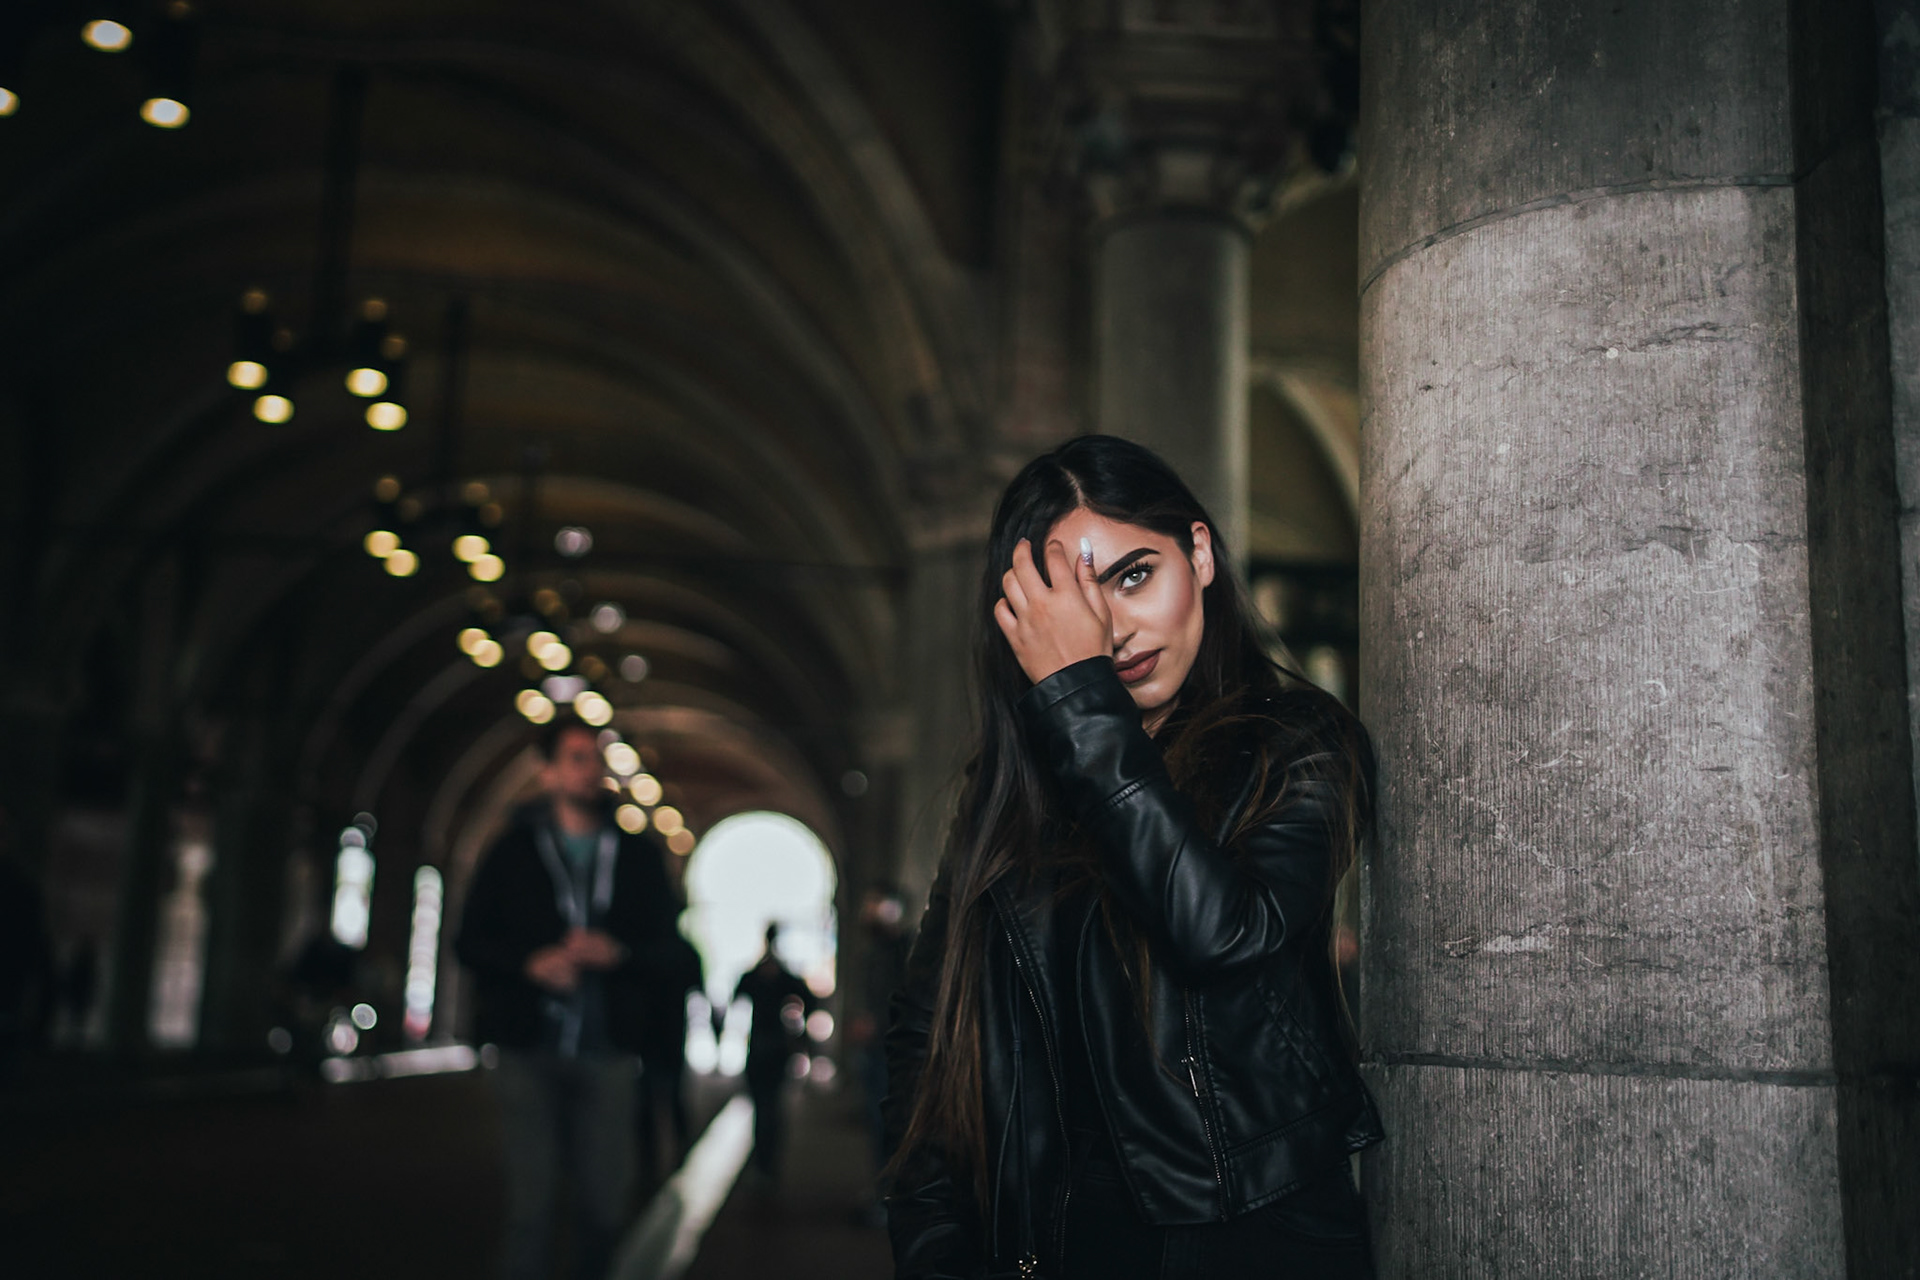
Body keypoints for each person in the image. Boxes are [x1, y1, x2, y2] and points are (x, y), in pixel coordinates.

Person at [885, 435, 1384, 1279]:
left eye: (1134, 576)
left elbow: (1220, 935)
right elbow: (928, 1038)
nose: (1111, 633)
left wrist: (1080, 701)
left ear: (1200, 555)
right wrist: (933, 1248)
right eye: (1076, 610)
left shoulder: (1299, 743)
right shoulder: (1010, 797)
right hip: (1057, 1245)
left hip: (1252, 1242)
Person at [455, 716, 678, 1280]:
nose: (591, 768)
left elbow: (673, 952)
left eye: (596, 757)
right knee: (530, 1207)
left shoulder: (639, 856)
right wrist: (528, 963)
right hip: (527, 1049)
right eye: (577, 757)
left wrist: (620, 953)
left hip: (609, 1050)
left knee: (603, 1207)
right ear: (547, 771)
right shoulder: (511, 851)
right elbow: (468, 941)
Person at [731, 922, 817, 1181]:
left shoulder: (760, 974)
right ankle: (767, 1162)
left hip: (762, 1047)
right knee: (771, 1107)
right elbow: (810, 999)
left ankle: (764, 1162)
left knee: (765, 1107)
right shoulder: (782, 975)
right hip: (774, 1047)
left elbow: (737, 996)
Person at [636, 929, 703, 1182]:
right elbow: (698, 989)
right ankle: (675, 1153)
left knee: (650, 1101)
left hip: (653, 1038)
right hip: (669, 1036)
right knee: (669, 1097)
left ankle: (650, 1164)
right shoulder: (684, 950)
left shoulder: (644, 947)